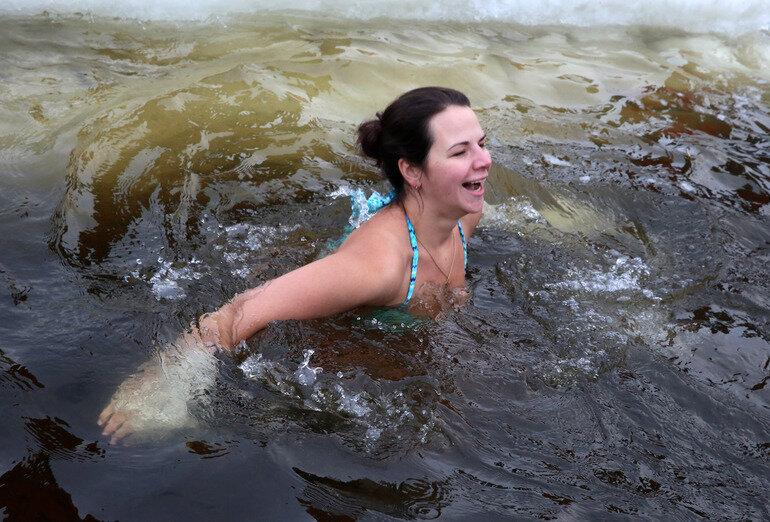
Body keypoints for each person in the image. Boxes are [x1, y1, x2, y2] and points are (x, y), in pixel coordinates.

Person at [98, 86, 492, 443]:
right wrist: (165, 387)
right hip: (330, 335)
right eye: (460, 152)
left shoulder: (462, 214)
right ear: (411, 171)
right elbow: (240, 310)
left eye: (482, 144)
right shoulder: (379, 266)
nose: (484, 161)